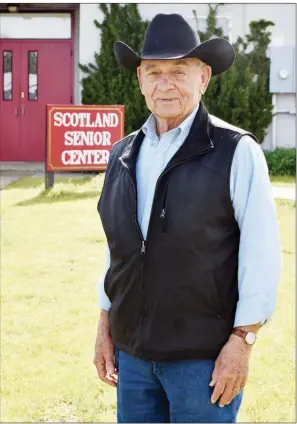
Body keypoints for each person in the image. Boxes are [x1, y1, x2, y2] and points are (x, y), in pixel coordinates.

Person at [94, 13, 281, 423]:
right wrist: (105, 325)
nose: (166, 83)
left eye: (179, 71)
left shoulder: (236, 151)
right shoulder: (121, 154)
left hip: (204, 361)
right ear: (140, 80)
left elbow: (261, 255)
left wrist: (243, 341)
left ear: (204, 77)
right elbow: (118, 251)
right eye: (154, 72)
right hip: (134, 360)